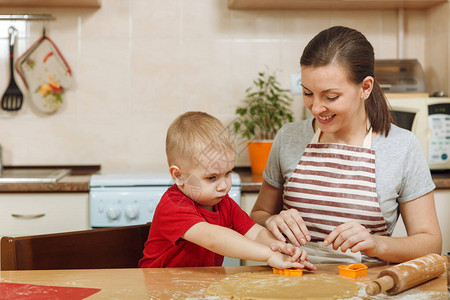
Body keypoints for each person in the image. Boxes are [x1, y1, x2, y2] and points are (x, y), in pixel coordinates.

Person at [251, 26, 442, 264]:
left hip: (366, 286)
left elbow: (430, 242)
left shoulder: (402, 146)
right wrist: (271, 220)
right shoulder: (289, 137)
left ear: (365, 88)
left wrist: (377, 244)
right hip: (292, 279)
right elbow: (257, 216)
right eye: (308, 93)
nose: (317, 108)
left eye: (330, 97)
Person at [139, 111, 316, 270]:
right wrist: (269, 255)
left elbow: (256, 232)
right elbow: (213, 238)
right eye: (211, 178)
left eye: (228, 173)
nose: (224, 185)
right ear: (179, 176)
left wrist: (281, 247)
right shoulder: (173, 204)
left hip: (195, 286)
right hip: (158, 288)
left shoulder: (224, 204)